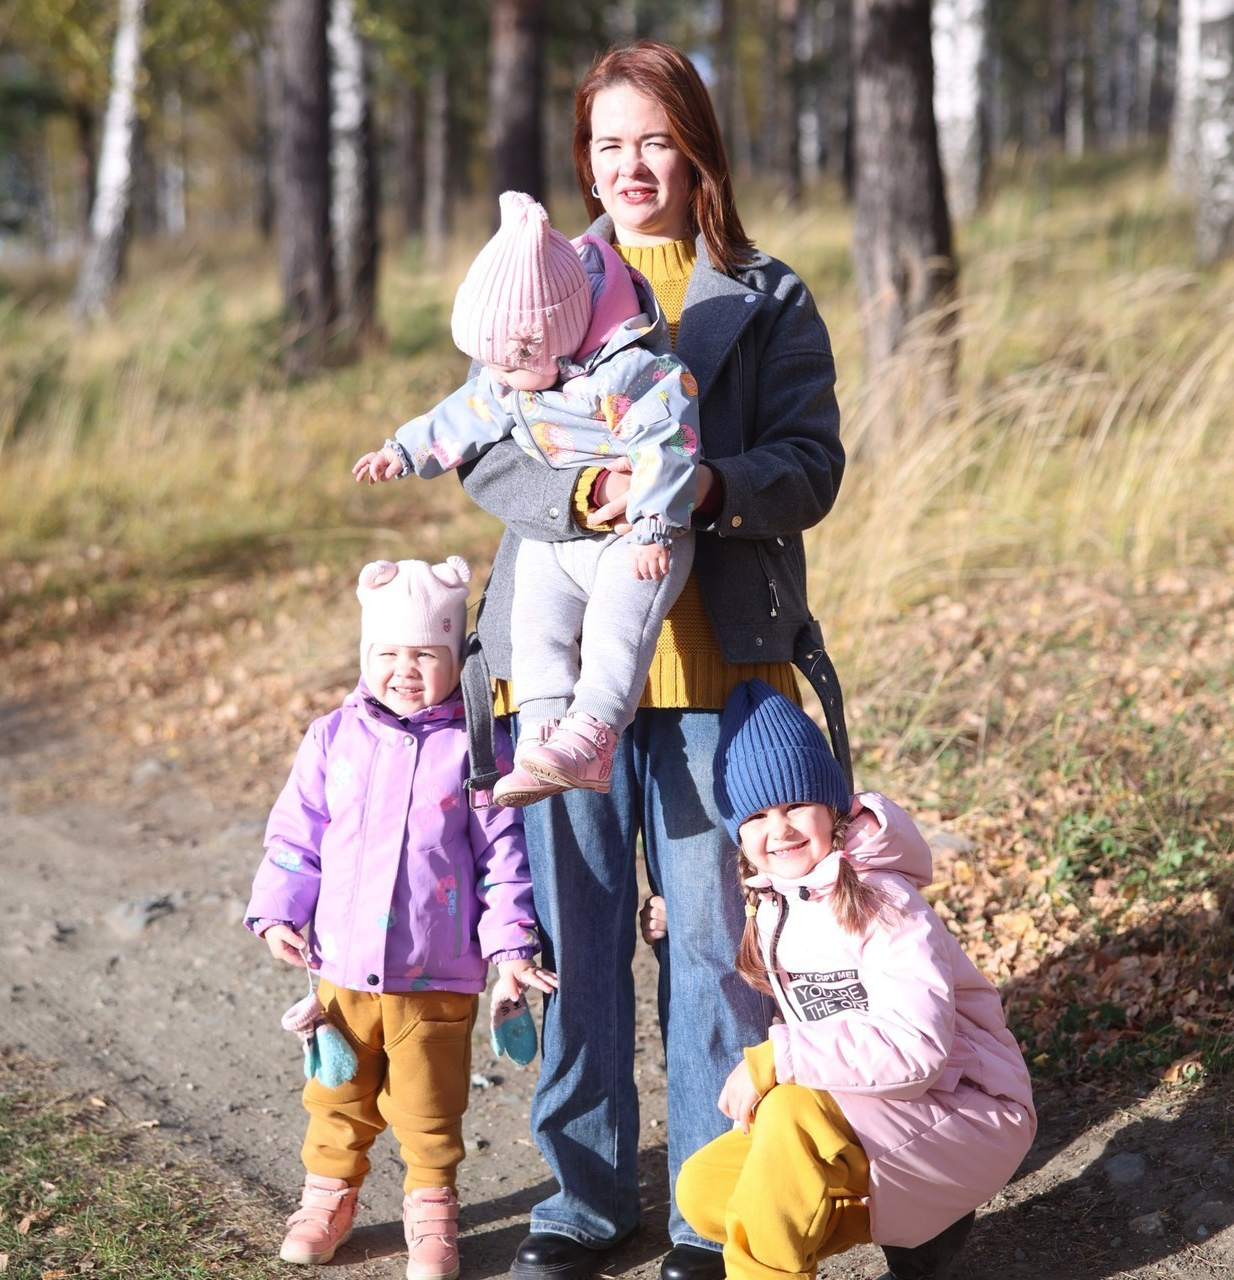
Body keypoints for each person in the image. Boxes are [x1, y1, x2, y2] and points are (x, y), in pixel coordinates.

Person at [459, 40, 847, 1280]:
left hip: (714, 675)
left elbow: (811, 464)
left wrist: (702, 484)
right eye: (605, 143)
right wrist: (585, 486)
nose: (628, 165)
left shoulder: (766, 293)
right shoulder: (547, 274)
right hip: (561, 678)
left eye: (652, 139)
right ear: (585, 158)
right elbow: (479, 445)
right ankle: (579, 1198)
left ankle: (698, 1205)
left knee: (710, 952)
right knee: (571, 940)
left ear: (695, 148)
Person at [244, 555, 557, 1276]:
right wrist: (276, 913)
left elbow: (503, 860)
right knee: (337, 1095)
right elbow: (295, 837)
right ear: (366, 655)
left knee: (428, 1106)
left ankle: (431, 1208)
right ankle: (328, 1197)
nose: (405, 668)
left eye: (426, 654)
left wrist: (511, 949)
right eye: (388, 653)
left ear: (456, 659)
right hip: (342, 970)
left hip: (437, 973)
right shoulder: (333, 738)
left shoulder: (479, 750)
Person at [671, 679, 1037, 1280]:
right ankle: (920, 1225)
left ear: (834, 808)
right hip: (881, 1109)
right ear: (739, 834)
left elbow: (915, 1052)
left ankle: (788, 1265)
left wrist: (774, 1059)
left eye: (796, 806)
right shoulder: (777, 905)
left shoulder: (884, 902)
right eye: (757, 816)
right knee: (707, 1188)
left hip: (966, 1109)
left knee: (791, 1113)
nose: (780, 829)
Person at [354, 190, 701, 807]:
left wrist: (653, 523)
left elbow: (670, 440)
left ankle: (592, 731)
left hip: (633, 538)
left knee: (617, 629)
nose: (499, 381)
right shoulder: (511, 368)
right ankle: (546, 731)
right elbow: (464, 415)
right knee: (536, 620)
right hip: (560, 534)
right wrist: (403, 451)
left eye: (510, 369)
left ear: (557, 340)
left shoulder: (629, 372)